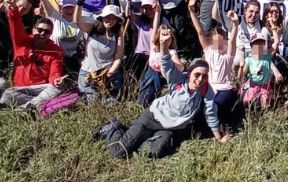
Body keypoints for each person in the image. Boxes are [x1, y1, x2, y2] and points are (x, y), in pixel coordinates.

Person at [93, 32, 230, 159]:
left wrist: (219, 138)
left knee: (155, 152)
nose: (200, 79)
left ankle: (138, 138)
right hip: (153, 117)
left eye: (204, 76)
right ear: (189, 74)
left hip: (167, 129)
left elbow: (210, 113)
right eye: (197, 75)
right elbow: (167, 64)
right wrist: (164, 45)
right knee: (119, 151)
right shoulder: (178, 80)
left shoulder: (206, 90)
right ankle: (114, 127)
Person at [0, 0, 66, 109]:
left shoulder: (56, 51)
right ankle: (37, 104)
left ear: (50, 34)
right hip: (20, 87)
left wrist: (56, 79)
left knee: (56, 87)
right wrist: (13, 9)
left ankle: (26, 108)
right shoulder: (22, 42)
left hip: (40, 87)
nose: (42, 33)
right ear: (33, 30)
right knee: (5, 96)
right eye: (40, 30)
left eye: (47, 31)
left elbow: (55, 72)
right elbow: (15, 26)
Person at [189, 0, 239, 126]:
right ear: (211, 41)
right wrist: (192, 11)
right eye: (216, 42)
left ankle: (216, 123)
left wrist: (235, 24)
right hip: (209, 88)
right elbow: (200, 31)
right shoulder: (209, 51)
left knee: (215, 106)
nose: (219, 45)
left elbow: (233, 40)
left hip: (225, 89)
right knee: (197, 106)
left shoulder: (228, 54)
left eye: (222, 42)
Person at [30, 0, 83, 77]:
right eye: (66, 7)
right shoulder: (55, 17)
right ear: (60, 9)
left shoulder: (80, 20)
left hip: (73, 59)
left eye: (71, 7)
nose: (69, 10)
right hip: (56, 57)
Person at [74, 3, 125, 102]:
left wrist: (107, 76)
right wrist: (79, 4)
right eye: (107, 17)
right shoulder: (92, 29)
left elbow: (118, 58)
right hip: (87, 75)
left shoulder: (118, 35)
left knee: (111, 105)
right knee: (91, 104)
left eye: (113, 18)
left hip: (107, 75)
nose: (110, 21)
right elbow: (77, 21)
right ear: (102, 17)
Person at [138, 2, 184, 107]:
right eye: (163, 35)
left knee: (160, 100)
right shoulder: (153, 47)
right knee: (143, 101)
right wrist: (157, 13)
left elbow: (180, 67)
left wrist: (171, 64)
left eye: (168, 35)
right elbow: (155, 28)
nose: (165, 38)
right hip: (151, 75)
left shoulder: (172, 52)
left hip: (163, 77)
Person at [237, 32, 283, 110]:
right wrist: (241, 67)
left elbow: (276, 42)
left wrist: (273, 28)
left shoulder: (267, 56)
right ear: (251, 46)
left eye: (261, 44)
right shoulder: (249, 60)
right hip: (252, 85)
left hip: (264, 86)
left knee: (264, 105)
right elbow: (240, 76)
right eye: (256, 45)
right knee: (246, 101)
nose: (258, 47)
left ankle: (259, 102)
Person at [230, 0, 264, 69]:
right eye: (251, 11)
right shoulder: (236, 21)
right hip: (239, 50)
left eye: (256, 12)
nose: (253, 15)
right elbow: (230, 41)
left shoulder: (262, 25)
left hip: (254, 53)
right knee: (237, 60)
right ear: (245, 11)